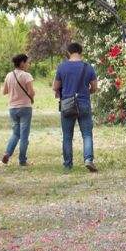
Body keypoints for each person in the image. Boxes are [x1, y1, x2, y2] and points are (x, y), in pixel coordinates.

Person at [53, 42, 98, 172]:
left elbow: (55, 87)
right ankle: (88, 159)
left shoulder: (62, 67)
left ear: (68, 52)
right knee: (87, 134)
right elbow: (94, 87)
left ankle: (68, 164)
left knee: (67, 135)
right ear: (81, 52)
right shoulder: (88, 67)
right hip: (84, 103)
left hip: (67, 104)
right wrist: (87, 92)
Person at [1, 54, 35, 166]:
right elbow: (31, 92)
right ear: (22, 63)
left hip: (12, 108)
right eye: (27, 62)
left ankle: (7, 153)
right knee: (24, 135)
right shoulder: (27, 76)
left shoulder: (9, 75)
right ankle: (22, 160)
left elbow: (4, 91)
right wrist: (32, 96)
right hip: (25, 107)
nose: (28, 64)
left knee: (16, 133)